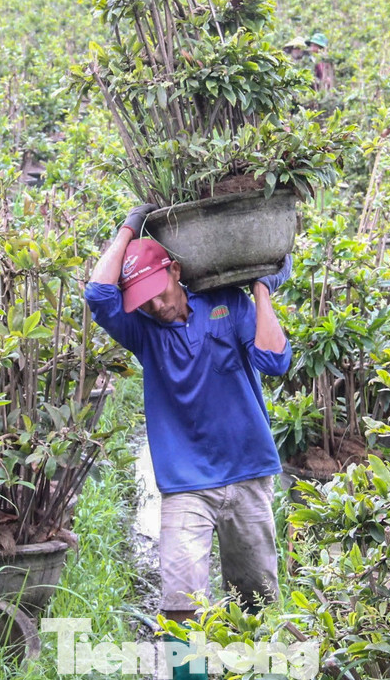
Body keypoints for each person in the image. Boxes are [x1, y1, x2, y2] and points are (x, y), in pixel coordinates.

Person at [84, 204, 292, 627]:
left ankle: (250, 672)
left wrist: (261, 291)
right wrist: (128, 227)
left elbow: (274, 361)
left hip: (248, 472)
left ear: (176, 271)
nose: (156, 305)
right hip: (186, 485)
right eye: (144, 301)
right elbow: (98, 294)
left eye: (160, 292)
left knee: (256, 600)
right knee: (181, 604)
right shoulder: (143, 333)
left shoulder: (227, 305)